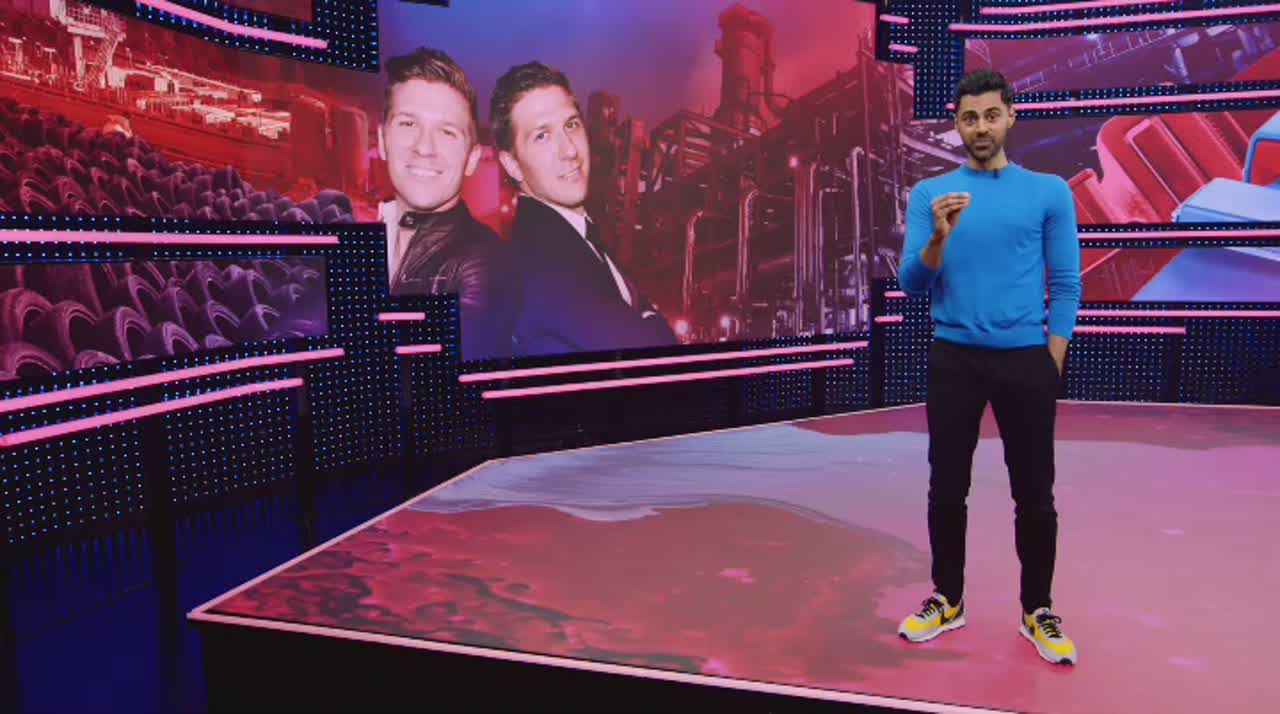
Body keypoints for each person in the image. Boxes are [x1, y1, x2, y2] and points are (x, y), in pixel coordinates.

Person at [894, 69, 1082, 666]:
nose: (981, 127)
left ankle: (1037, 610)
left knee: (1036, 493)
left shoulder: (1049, 192)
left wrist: (1051, 359)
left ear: (1010, 117)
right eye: (970, 117)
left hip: (1026, 360)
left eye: (991, 115)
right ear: (957, 123)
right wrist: (938, 237)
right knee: (947, 487)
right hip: (954, 358)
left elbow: (1067, 282)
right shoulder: (931, 195)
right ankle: (947, 599)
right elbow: (912, 282)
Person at [489, 61, 676, 357]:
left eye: (571, 125)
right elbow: (660, 357)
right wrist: (650, 315)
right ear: (512, 165)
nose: (570, 150)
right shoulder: (546, 262)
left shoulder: (576, 238)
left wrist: (643, 314)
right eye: (542, 135)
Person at [378, 47, 517, 361]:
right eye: (408, 124)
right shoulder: (364, 241)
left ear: (472, 159)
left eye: (447, 131)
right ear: (382, 140)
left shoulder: (486, 266)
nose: (424, 147)